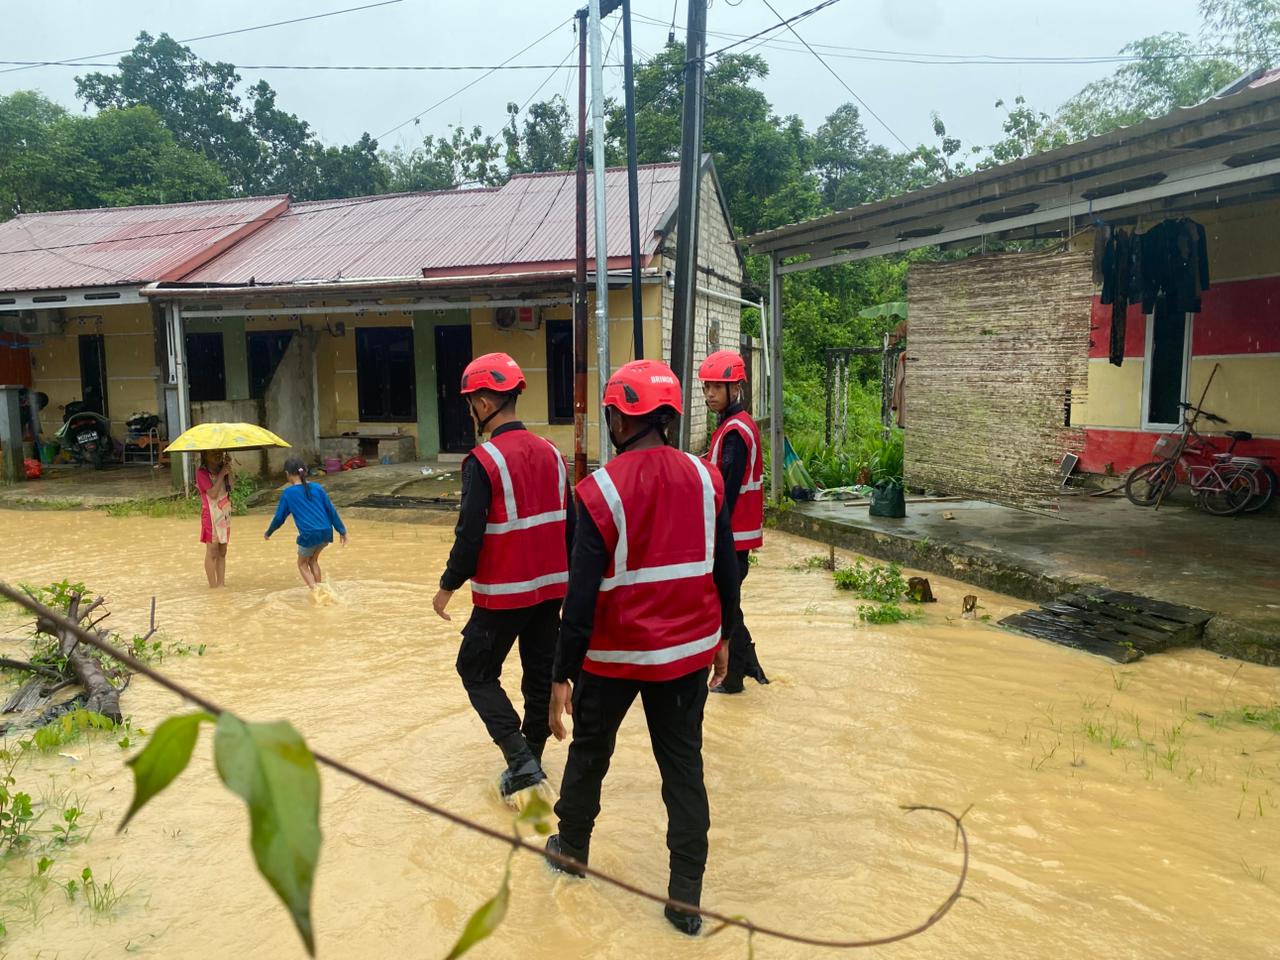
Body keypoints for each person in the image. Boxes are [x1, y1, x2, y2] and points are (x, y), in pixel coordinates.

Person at [545, 359, 740, 936]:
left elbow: (579, 599)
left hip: (613, 657)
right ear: (668, 418)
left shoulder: (599, 491)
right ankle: (685, 900)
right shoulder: (707, 479)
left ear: (619, 418)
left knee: (589, 757)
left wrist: (561, 673)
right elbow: (725, 567)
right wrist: (725, 634)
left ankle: (572, 852)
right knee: (684, 770)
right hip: (686, 656)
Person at [432, 352, 572, 800]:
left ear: (488, 400)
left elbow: (469, 534)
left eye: (473, 400)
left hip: (504, 595)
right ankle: (530, 757)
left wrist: (447, 585)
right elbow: (570, 526)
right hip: (551, 590)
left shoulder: (483, 460)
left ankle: (520, 759)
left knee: (473, 668)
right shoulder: (552, 453)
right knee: (537, 674)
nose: (472, 409)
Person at [698, 349, 769, 694]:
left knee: (726, 608)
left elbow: (725, 489)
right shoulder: (733, 426)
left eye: (717, 387)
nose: (710, 394)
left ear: (735, 388)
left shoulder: (735, 431)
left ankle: (734, 679)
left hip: (732, 539)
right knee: (730, 606)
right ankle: (750, 667)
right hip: (737, 537)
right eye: (707, 387)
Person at [264, 456, 348, 588]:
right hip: (326, 531)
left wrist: (269, 532)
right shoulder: (317, 488)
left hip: (309, 534)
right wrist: (342, 530)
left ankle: (316, 592)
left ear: (287, 474)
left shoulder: (288, 493)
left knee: (302, 564)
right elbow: (331, 510)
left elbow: (279, 518)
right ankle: (321, 589)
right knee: (313, 560)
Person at [196, 450, 233, 588]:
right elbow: (212, 493)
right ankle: (213, 587)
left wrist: (228, 472)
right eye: (214, 452)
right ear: (205, 455)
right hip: (211, 515)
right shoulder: (202, 473)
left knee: (223, 550)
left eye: (220, 452)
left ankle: (221, 584)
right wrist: (221, 475)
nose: (218, 454)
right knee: (212, 551)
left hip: (224, 513)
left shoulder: (223, 469)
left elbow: (232, 487)